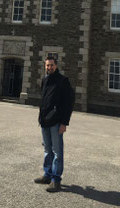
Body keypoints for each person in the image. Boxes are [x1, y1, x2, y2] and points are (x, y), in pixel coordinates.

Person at [34, 56, 75, 192]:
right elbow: (44, 101)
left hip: (56, 122)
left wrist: (64, 123)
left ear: (56, 66)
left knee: (57, 151)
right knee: (47, 150)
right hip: (45, 121)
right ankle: (47, 175)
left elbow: (69, 103)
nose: (49, 67)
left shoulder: (63, 81)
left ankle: (56, 180)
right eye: (47, 65)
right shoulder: (45, 80)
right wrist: (41, 118)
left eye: (51, 65)